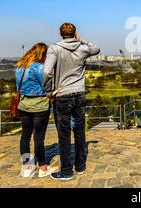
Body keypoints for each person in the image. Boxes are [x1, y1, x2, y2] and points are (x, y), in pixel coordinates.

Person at [43, 22, 100, 181]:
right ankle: (80, 166)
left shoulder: (55, 48)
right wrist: (81, 41)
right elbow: (96, 49)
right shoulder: (82, 48)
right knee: (80, 131)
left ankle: (67, 171)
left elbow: (47, 72)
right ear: (75, 33)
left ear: (61, 33)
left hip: (62, 95)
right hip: (80, 93)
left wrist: (48, 91)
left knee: (64, 133)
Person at [15, 43, 57, 178]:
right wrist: (53, 93)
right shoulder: (40, 68)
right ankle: (43, 167)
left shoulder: (19, 66)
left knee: (25, 136)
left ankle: (27, 167)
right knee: (39, 138)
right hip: (39, 106)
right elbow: (46, 86)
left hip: (23, 105)